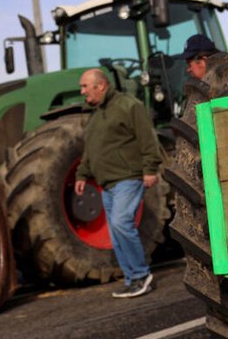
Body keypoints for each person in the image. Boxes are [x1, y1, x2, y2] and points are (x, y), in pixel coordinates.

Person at [74, 68, 162, 299]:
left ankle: (143, 275)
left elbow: (147, 139)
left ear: (100, 85)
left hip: (129, 177)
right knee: (115, 232)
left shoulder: (129, 106)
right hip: (108, 183)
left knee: (122, 223)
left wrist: (150, 169)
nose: (82, 92)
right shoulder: (95, 117)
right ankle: (132, 278)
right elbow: (90, 150)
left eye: (85, 86)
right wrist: (82, 175)